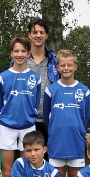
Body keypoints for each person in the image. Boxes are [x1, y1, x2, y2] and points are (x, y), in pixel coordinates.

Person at [43, 49, 90, 177]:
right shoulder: (51, 89)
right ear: (57, 67)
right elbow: (47, 117)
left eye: (69, 65)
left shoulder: (84, 90)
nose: (66, 68)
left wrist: (79, 131)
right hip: (57, 142)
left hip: (76, 141)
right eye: (62, 65)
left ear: (75, 66)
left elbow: (86, 117)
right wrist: (54, 131)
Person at [0, 37, 41, 177]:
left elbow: (36, 102)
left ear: (29, 53)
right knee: (7, 174)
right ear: (11, 53)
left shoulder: (36, 78)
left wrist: (29, 118)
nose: (20, 54)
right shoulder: (2, 77)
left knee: (26, 174)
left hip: (28, 128)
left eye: (23, 51)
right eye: (16, 51)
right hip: (7, 127)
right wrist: (6, 118)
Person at [22, 18, 59, 151]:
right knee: (27, 160)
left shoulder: (55, 60)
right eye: (35, 32)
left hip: (49, 120)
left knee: (49, 160)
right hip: (26, 120)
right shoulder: (20, 59)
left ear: (46, 35)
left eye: (41, 32)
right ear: (29, 35)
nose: (38, 35)